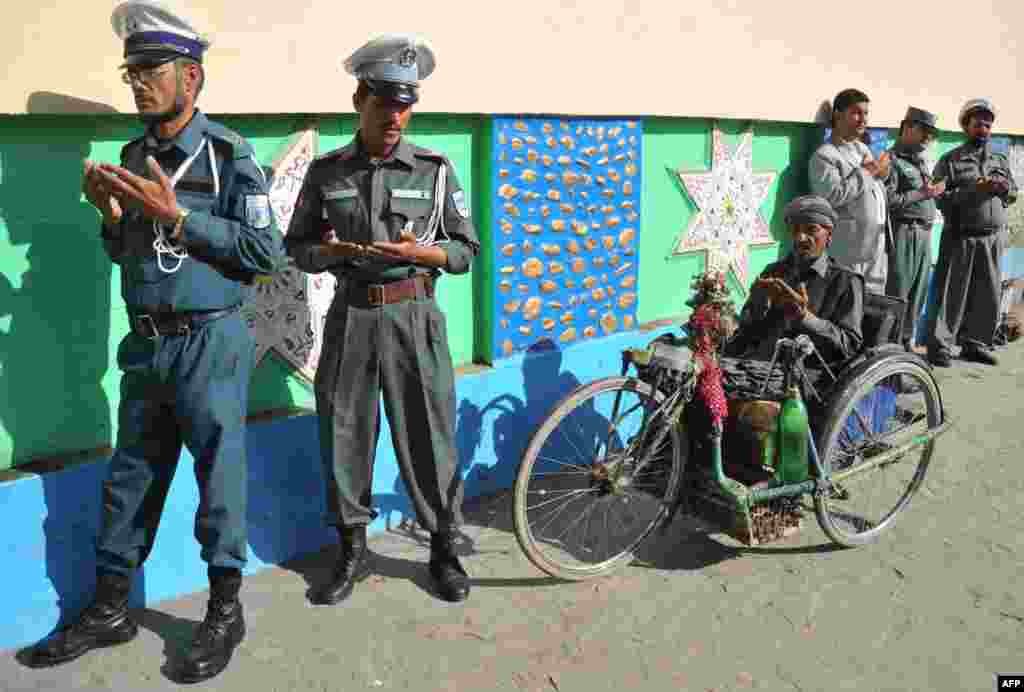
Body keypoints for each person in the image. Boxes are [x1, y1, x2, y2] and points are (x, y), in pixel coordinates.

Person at [20, 1, 284, 682]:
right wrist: (110, 220)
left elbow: (264, 252)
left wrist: (180, 214)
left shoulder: (228, 155)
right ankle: (111, 608)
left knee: (218, 480)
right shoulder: (132, 156)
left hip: (209, 342)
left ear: (190, 79)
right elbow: (136, 257)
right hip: (146, 348)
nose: (137, 82)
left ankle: (225, 610)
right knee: (129, 479)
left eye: (151, 69)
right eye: (130, 70)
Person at [285, 35, 479, 605]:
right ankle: (351, 551)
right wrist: (331, 253)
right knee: (345, 432)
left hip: (416, 316)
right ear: (359, 100)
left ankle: (443, 548)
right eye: (383, 103)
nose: (395, 116)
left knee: (430, 435)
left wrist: (428, 256)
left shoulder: (435, 170)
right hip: (353, 316)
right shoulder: (326, 173)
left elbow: (467, 251)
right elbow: (297, 247)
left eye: (404, 105)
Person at [926, 98, 1018, 367]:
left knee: (986, 293)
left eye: (988, 125)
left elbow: (1012, 193)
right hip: (961, 236)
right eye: (978, 124)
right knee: (952, 293)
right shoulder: (950, 160)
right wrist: (973, 191)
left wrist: (1002, 188)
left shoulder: (999, 159)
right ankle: (940, 347)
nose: (984, 129)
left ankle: (975, 344)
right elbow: (940, 198)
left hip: (992, 238)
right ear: (966, 126)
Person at [725, 195, 864, 366]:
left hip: (808, 377)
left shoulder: (846, 281)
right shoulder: (773, 272)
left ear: (829, 234)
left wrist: (805, 318)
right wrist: (757, 307)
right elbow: (746, 333)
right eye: (795, 230)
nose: (800, 238)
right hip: (760, 367)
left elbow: (849, 346)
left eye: (811, 230)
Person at [809, 88, 891, 295]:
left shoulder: (861, 149)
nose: (863, 119)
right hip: (849, 251)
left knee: (873, 311)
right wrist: (870, 170)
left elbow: (872, 188)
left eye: (866, 113)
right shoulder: (825, 156)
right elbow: (831, 196)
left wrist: (883, 173)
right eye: (856, 113)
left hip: (875, 249)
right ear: (837, 114)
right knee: (847, 307)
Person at [885, 107, 944, 350]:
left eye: (931, 134)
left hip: (923, 234)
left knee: (917, 296)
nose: (928, 138)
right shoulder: (891, 160)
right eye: (924, 132)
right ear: (907, 128)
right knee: (899, 294)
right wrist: (923, 193)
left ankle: (906, 348)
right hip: (904, 233)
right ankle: (891, 350)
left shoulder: (919, 161)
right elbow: (889, 200)